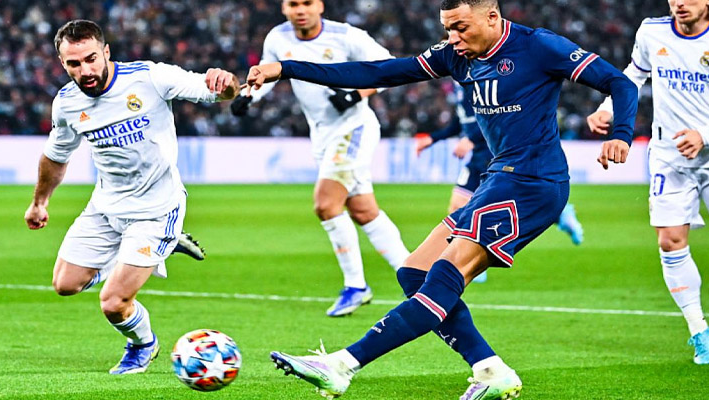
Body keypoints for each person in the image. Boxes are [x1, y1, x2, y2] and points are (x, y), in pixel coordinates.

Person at [245, 0, 637, 398]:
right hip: (498, 179)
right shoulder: (455, 54)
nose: (453, 38)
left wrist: (621, 133)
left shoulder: (538, 46)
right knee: (414, 273)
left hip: (533, 182)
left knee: (446, 276)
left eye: (461, 27)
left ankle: (341, 365)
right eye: (448, 28)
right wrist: (287, 68)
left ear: (492, 17)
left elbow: (620, 82)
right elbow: (378, 72)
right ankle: (490, 369)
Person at [23, 19, 239, 374]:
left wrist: (225, 81)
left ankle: (143, 344)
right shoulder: (67, 103)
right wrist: (40, 202)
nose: (85, 70)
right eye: (74, 64)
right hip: (106, 206)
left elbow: (219, 91)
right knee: (64, 285)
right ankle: (161, 249)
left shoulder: (150, 78)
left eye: (91, 59)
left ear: (106, 52)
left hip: (157, 209)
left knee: (113, 302)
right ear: (62, 63)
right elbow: (55, 156)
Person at [587, 0, 709, 365]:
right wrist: (607, 108)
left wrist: (704, 135)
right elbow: (632, 77)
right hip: (668, 155)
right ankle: (698, 329)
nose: (679, 3)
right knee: (669, 241)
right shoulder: (652, 31)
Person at [229, 0, 410, 317]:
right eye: (293, 4)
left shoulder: (346, 35)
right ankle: (416, 274)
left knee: (326, 204)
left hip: (354, 128)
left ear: (320, 6)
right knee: (364, 210)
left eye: (307, 3)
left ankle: (356, 286)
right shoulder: (277, 37)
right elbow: (268, 74)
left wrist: (356, 94)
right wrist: (249, 97)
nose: (300, 10)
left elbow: (389, 66)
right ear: (284, 8)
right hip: (322, 135)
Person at [416, 82, 584, 250]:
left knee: (505, 206)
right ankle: (464, 256)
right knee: (458, 206)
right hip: (478, 155)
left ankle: (559, 212)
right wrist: (433, 138)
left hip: (497, 153)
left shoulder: (480, 74)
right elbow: (463, 120)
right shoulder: (459, 80)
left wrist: (472, 138)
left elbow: (498, 112)